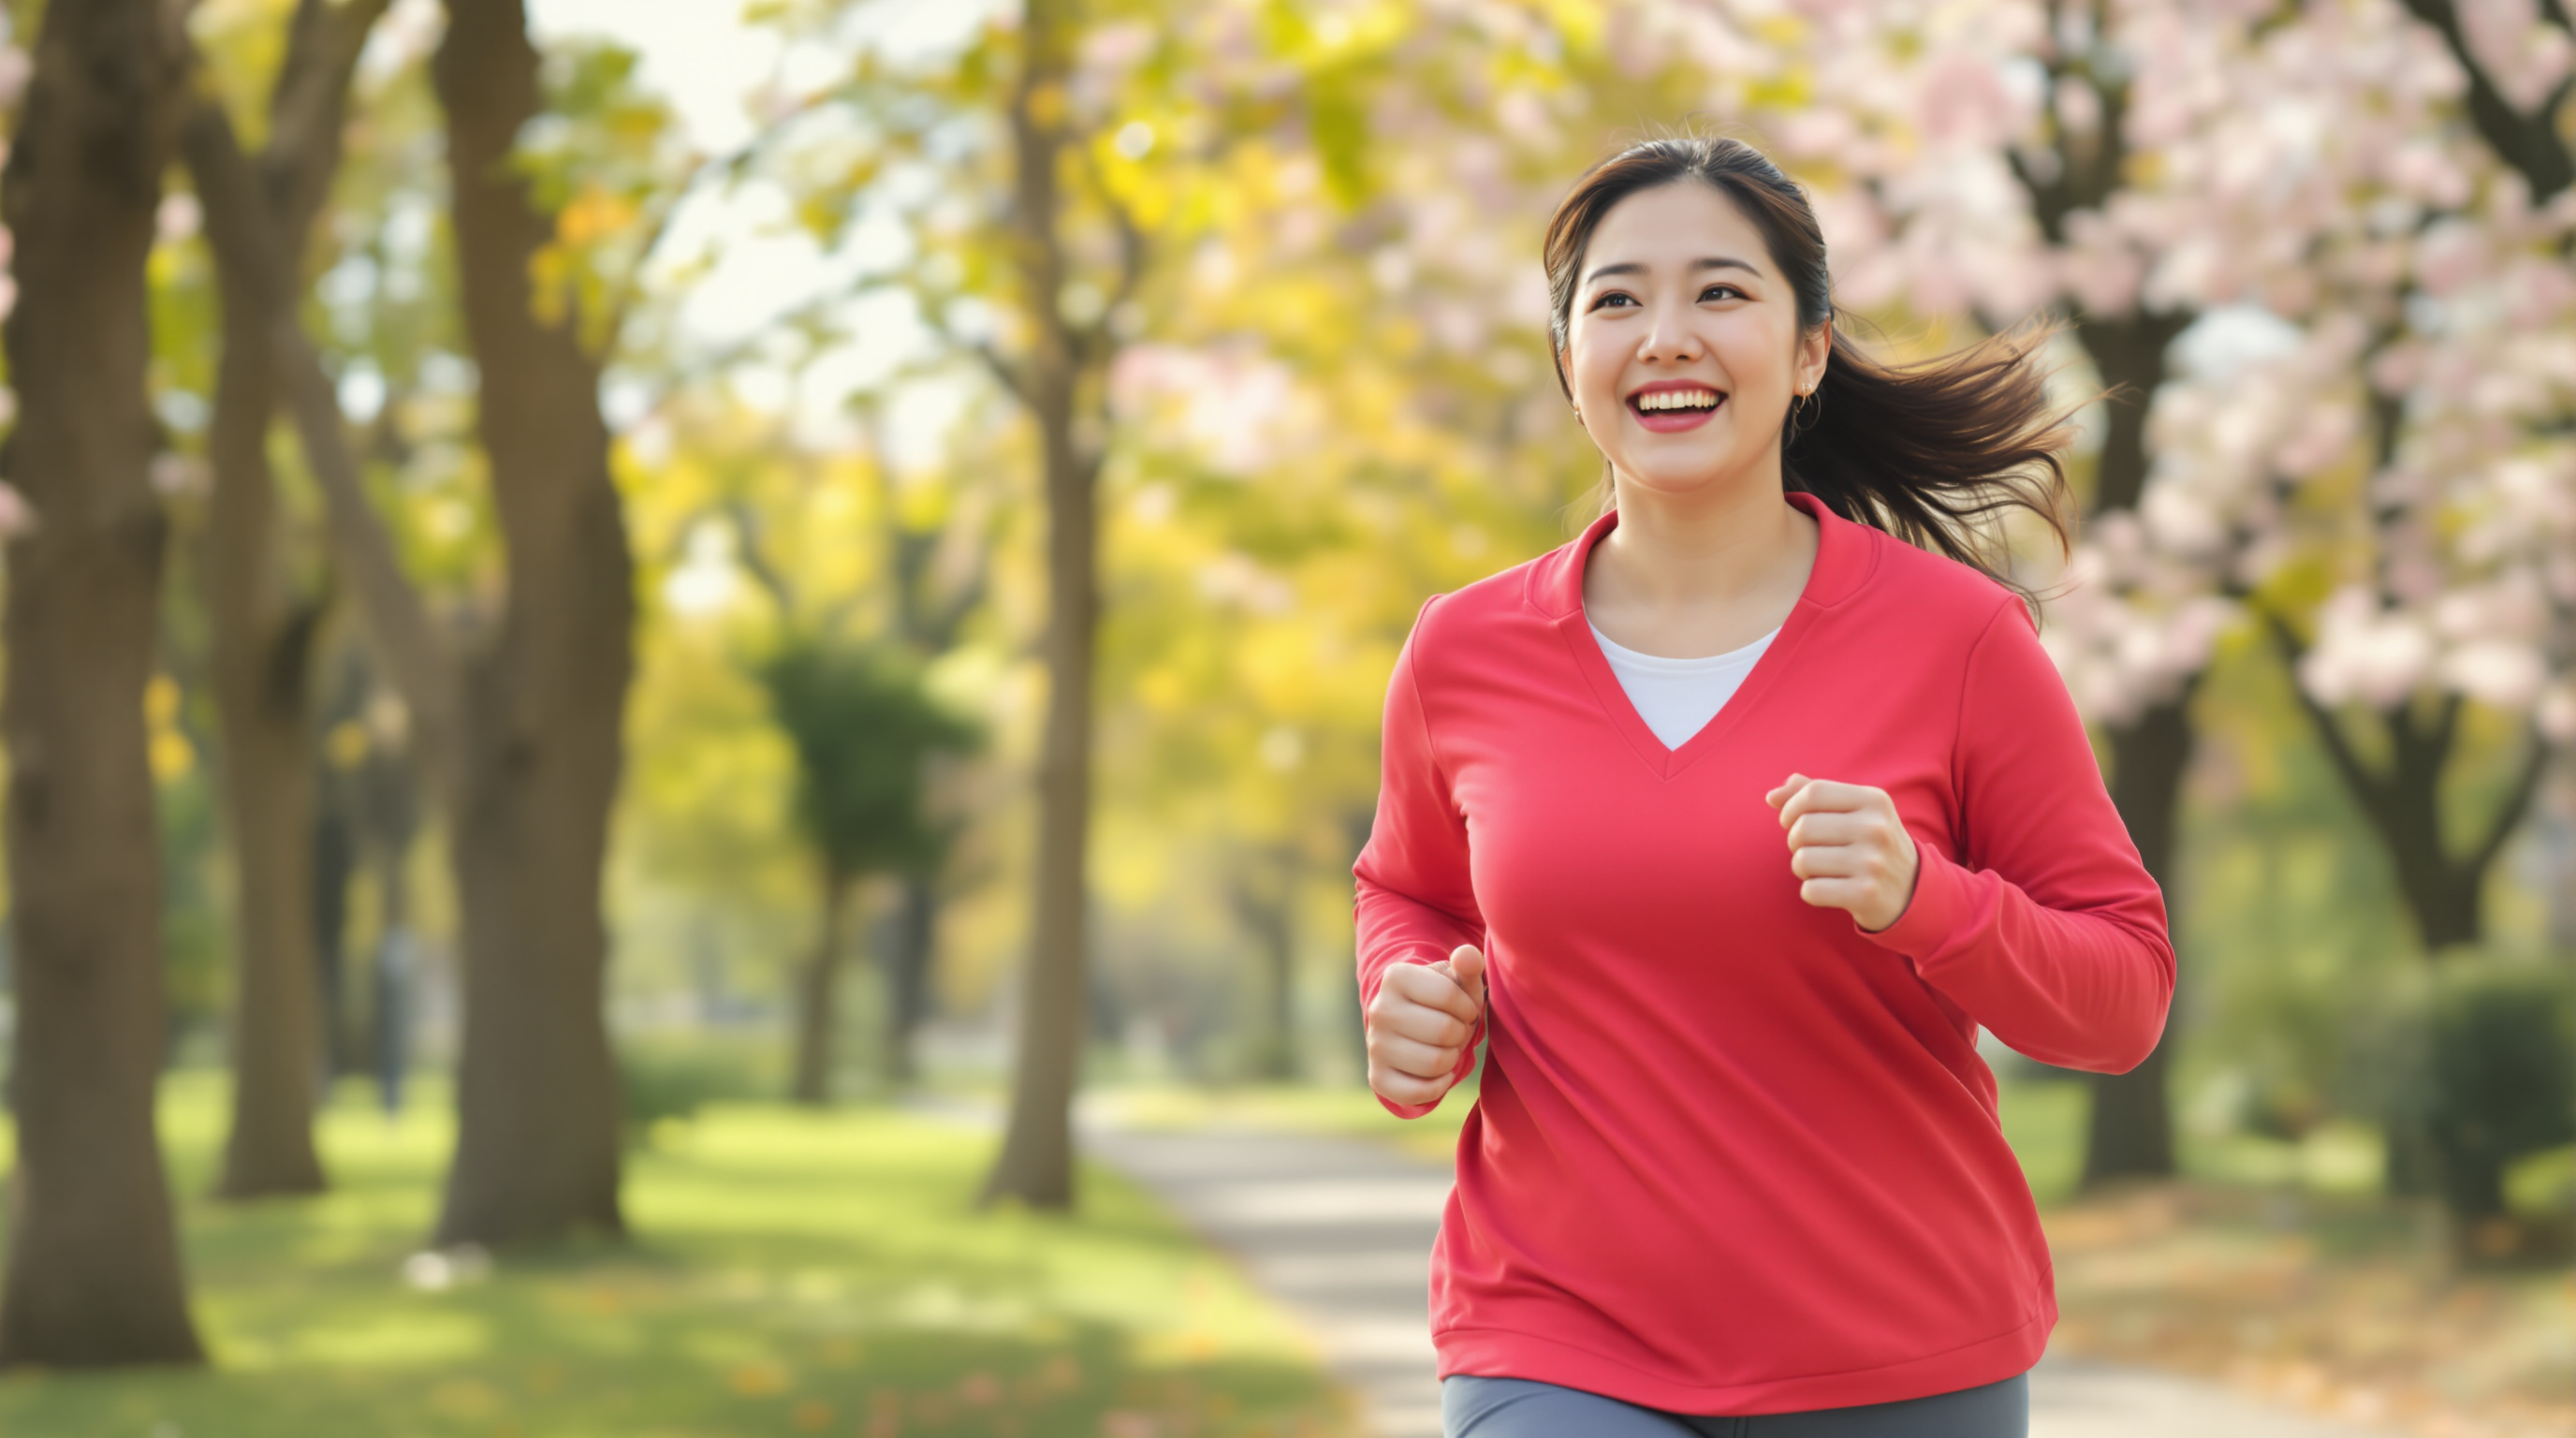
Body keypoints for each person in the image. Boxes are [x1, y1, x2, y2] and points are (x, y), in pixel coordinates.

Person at [1352, 134, 2175, 1438]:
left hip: (1899, 1351)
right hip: (1558, 1333)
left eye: (1721, 293)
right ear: (1569, 359)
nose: (1665, 335)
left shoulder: (1955, 642)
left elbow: (2121, 998)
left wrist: (1928, 901)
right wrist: (1403, 995)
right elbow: (1408, 890)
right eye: (1616, 300)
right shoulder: (1463, 652)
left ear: (1808, 353)